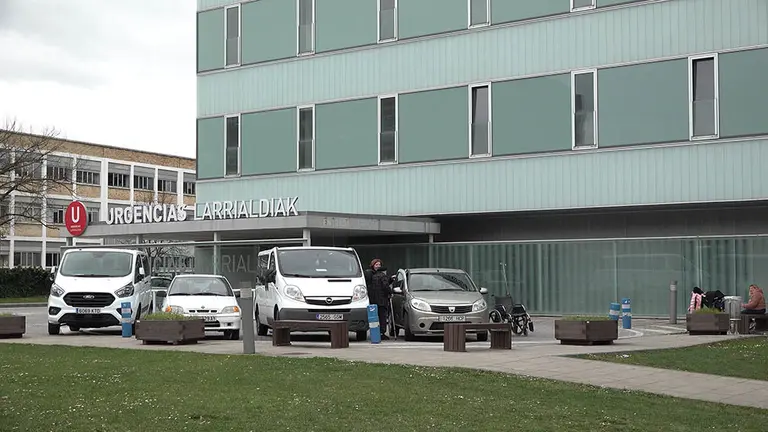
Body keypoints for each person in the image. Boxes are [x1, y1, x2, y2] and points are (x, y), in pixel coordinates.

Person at [364, 258, 391, 340]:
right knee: (382, 316)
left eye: (379, 264)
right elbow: (385, 286)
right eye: (377, 264)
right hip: (382, 300)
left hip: (372, 299)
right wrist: (390, 292)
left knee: (374, 317)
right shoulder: (382, 276)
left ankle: (374, 332)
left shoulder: (368, 274)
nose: (378, 266)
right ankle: (382, 332)